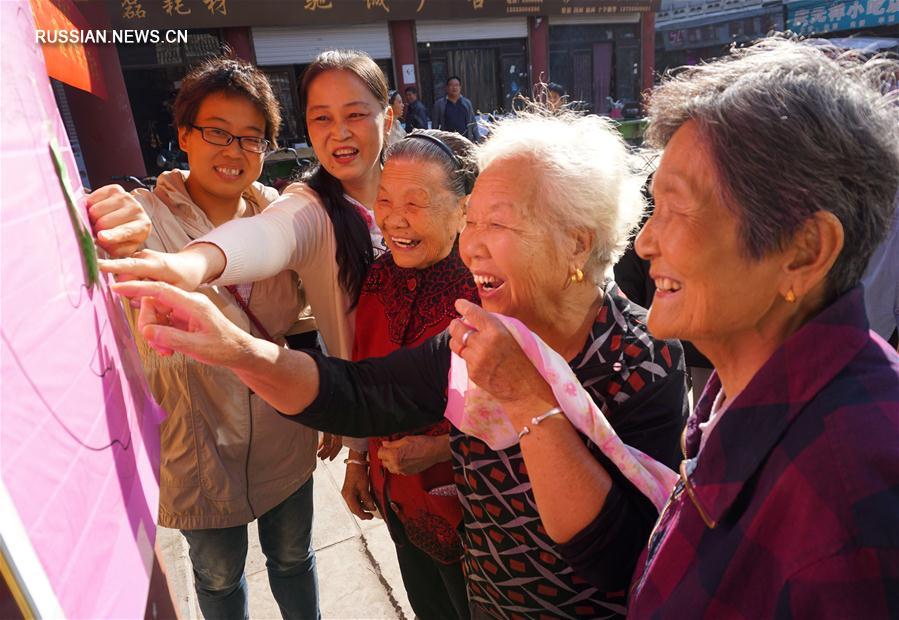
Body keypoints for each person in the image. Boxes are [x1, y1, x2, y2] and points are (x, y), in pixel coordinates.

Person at [110, 110, 689, 619]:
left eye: (499, 225)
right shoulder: (478, 333)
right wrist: (233, 348)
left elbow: (620, 556)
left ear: (577, 244)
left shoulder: (643, 356)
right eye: (474, 223)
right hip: (489, 599)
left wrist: (528, 402)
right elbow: (360, 393)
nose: (472, 247)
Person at [620, 38, 899, 616]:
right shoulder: (741, 384)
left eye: (676, 208)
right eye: (653, 207)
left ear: (804, 251)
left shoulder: (848, 502)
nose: (645, 242)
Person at [91, 57, 323, 620]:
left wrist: (327, 405)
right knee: (218, 580)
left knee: (293, 558)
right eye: (217, 131)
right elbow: (107, 250)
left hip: (282, 434)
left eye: (251, 137)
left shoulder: (282, 217)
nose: (234, 150)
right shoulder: (146, 217)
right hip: (197, 452)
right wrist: (100, 218)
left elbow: (305, 319)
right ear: (184, 136)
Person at [343, 130, 478, 619]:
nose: (394, 219)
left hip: (473, 516)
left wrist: (441, 448)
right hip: (397, 498)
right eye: (384, 199)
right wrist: (358, 462)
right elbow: (363, 373)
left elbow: (525, 413)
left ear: (464, 208)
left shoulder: (485, 291)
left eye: (415, 203)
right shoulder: (379, 276)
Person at [432, 76, 481, 142]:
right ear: (447, 88)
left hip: (465, 141)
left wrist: (478, 139)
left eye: (456, 85)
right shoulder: (439, 104)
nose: (454, 87)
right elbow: (435, 126)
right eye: (451, 85)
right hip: (447, 142)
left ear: (460, 87)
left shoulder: (466, 103)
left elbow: (473, 123)